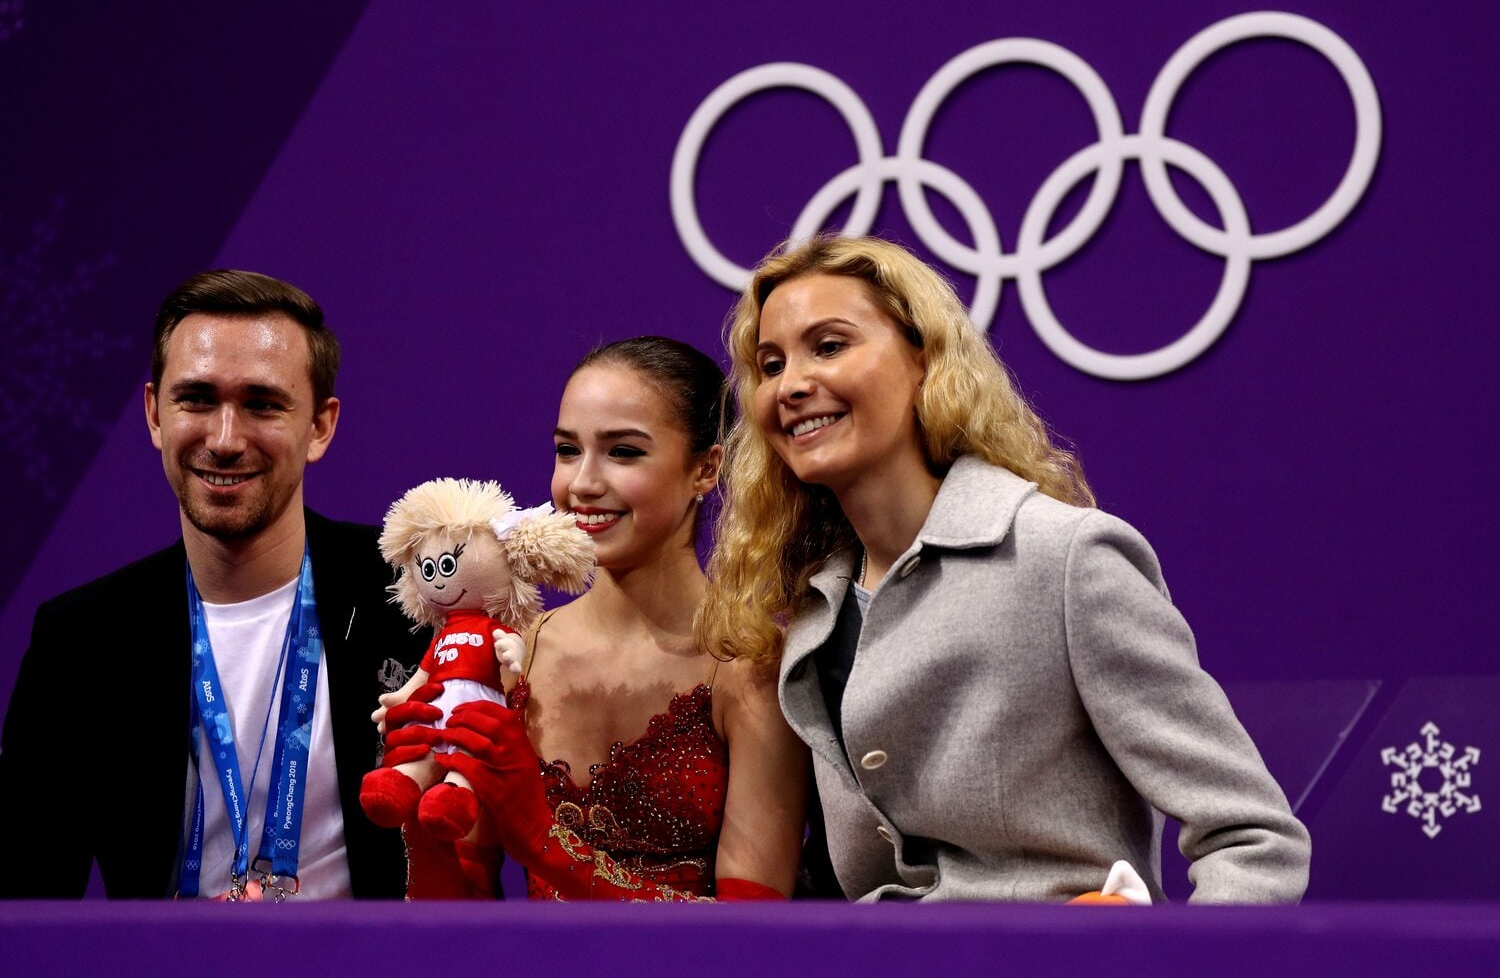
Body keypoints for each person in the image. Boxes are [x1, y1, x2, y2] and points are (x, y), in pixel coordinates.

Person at [696, 235, 1312, 904]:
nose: (792, 385)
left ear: (924, 359)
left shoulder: (1066, 556)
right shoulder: (814, 609)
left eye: (831, 346)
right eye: (771, 363)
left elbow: (1253, 839)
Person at [0, 270, 424, 900]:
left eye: (262, 404)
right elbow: (23, 900)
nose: (225, 439)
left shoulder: (413, 596)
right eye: (196, 399)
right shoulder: (81, 639)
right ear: (153, 415)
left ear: (320, 427)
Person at [384, 336, 808, 900]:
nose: (581, 483)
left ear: (706, 469)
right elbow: (455, 920)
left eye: (623, 452)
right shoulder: (515, 653)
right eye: (567, 450)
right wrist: (419, 819)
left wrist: (542, 837)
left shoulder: (749, 664)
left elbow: (750, 934)